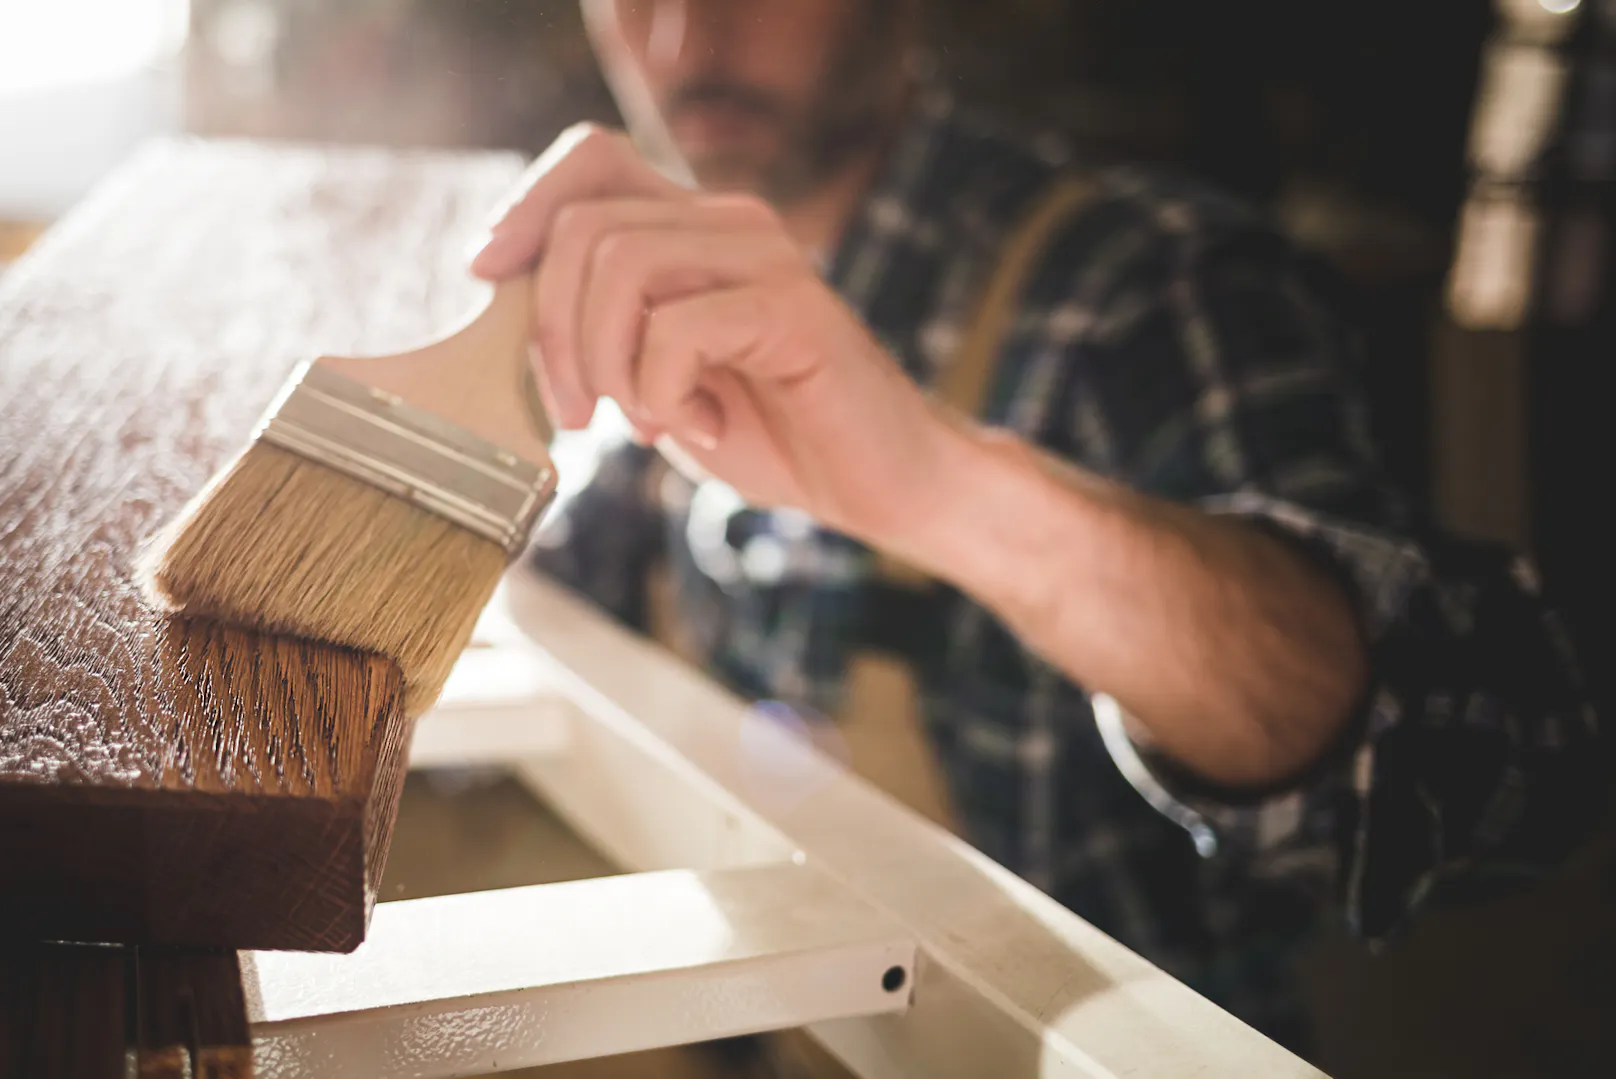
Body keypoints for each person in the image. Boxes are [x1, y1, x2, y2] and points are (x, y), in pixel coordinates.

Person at [468, 0, 1605, 1051]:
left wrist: (946, 486)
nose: (681, 45)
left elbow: (1507, 759)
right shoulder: (649, 306)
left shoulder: (1144, 290)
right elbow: (563, 614)